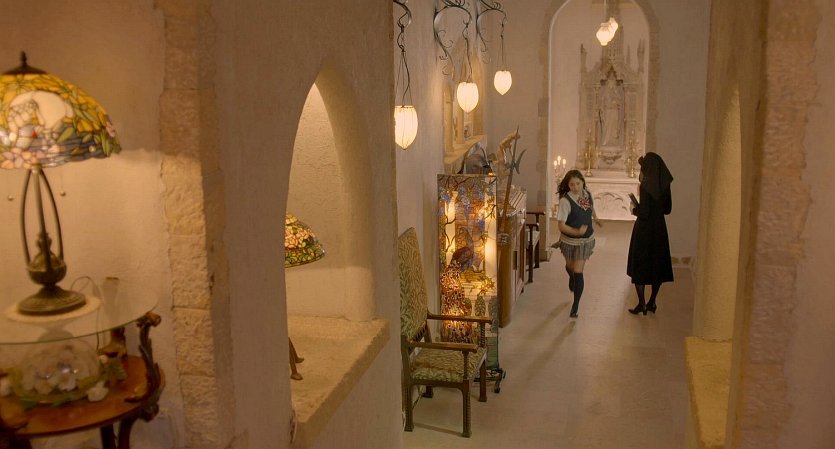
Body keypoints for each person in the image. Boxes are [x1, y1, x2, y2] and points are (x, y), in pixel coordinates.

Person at [627, 152, 674, 315]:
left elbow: (644, 213)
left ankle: (642, 304)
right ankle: (652, 301)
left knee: (640, 266)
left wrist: (634, 209)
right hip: (659, 229)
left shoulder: (646, 185)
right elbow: (667, 209)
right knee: (656, 266)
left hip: (644, 230)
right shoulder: (664, 183)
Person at [555, 170, 602, 318]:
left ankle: (575, 305)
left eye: (578, 183)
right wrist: (576, 232)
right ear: (568, 185)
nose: (575, 187)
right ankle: (571, 276)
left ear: (583, 182)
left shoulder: (587, 195)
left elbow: (590, 208)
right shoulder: (565, 201)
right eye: (572, 184)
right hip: (569, 241)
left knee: (578, 270)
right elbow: (561, 226)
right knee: (570, 266)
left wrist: (596, 218)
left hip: (585, 241)